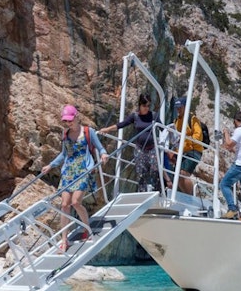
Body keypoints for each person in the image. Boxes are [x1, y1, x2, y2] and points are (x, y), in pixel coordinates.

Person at [42, 104, 108, 249]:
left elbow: (99, 147)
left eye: (70, 120)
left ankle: (87, 229)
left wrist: (103, 154)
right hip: (68, 171)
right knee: (64, 204)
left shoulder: (88, 131)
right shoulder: (65, 134)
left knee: (76, 202)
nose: (68, 123)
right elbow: (64, 154)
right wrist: (51, 165)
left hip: (83, 169)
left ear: (76, 117)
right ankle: (64, 240)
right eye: (65, 121)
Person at [99, 93, 160, 191]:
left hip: (151, 148)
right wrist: (107, 129)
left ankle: (155, 190)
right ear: (140, 105)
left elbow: (163, 129)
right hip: (140, 148)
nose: (146, 108)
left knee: (154, 169)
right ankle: (142, 192)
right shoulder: (135, 116)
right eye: (144, 106)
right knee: (140, 172)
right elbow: (121, 125)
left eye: (148, 106)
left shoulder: (153, 115)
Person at [165, 97, 205, 195]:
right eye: (177, 107)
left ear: (185, 107)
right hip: (182, 151)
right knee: (177, 175)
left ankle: (191, 196)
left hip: (194, 150)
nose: (178, 109)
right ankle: (187, 196)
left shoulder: (192, 119)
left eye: (180, 107)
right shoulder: (176, 121)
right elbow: (175, 139)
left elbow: (198, 135)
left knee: (183, 173)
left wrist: (185, 140)